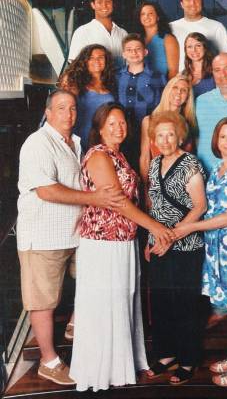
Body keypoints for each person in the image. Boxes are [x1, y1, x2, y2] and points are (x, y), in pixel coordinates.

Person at [16, 90, 124, 386]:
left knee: (93, 280)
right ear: (48, 113)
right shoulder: (37, 143)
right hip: (42, 235)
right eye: (61, 108)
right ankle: (48, 361)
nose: (69, 114)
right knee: (44, 301)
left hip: (76, 233)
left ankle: (76, 326)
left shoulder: (76, 143)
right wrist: (94, 198)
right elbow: (46, 190)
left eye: (73, 108)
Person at [69, 103, 174, 391]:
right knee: (106, 305)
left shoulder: (119, 155)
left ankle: (123, 364)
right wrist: (154, 226)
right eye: (111, 124)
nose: (118, 128)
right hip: (102, 243)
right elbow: (117, 201)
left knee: (123, 301)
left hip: (123, 241)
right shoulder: (98, 155)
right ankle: (103, 371)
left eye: (122, 123)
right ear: (100, 129)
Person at [174, 116, 227, 387]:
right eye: (223, 136)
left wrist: (191, 227)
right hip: (219, 249)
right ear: (216, 140)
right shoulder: (220, 169)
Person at [145, 111, 206, 385]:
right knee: (161, 302)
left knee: (184, 304)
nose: (166, 139)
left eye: (170, 134)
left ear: (179, 135)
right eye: (160, 135)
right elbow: (154, 207)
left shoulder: (190, 163)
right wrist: (151, 240)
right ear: (154, 139)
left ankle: (189, 358)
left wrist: (171, 236)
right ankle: (167, 353)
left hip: (185, 245)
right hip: (158, 244)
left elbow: (200, 206)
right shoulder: (154, 163)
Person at [116, 33, 166, 169]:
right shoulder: (117, 77)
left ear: (145, 52)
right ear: (123, 54)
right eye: (129, 50)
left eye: (138, 49)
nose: (134, 53)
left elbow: (163, 106)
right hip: (123, 134)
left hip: (148, 133)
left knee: (147, 167)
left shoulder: (157, 77)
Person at [139, 73, 196, 189]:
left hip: (181, 185)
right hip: (155, 184)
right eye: (175, 88)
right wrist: (145, 189)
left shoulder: (189, 125)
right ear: (167, 91)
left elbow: (191, 160)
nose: (178, 93)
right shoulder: (149, 120)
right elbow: (145, 158)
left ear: (187, 98)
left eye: (183, 90)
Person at [170, 0, 227, 71]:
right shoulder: (171, 28)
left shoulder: (216, 27)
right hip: (179, 82)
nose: (193, 3)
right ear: (181, 4)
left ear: (202, 2)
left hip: (209, 82)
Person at [66, 44, 116, 152]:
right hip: (79, 139)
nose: (96, 61)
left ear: (106, 60)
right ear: (85, 61)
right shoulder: (76, 83)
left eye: (101, 57)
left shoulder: (112, 83)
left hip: (102, 141)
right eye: (91, 58)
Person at [68, 0, 127, 68]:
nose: (104, 5)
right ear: (93, 5)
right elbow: (75, 65)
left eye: (108, 1)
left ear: (113, 4)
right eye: (100, 2)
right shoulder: (82, 32)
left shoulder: (123, 33)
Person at [134, 1, 179, 79]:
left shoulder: (168, 39)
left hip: (161, 86)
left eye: (150, 13)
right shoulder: (136, 38)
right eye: (143, 14)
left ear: (158, 17)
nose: (146, 17)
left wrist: (167, 90)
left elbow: (173, 71)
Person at [183, 32, 215, 98]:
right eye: (189, 47)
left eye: (198, 45)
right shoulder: (183, 74)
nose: (194, 50)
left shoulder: (215, 71)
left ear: (205, 48)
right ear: (186, 50)